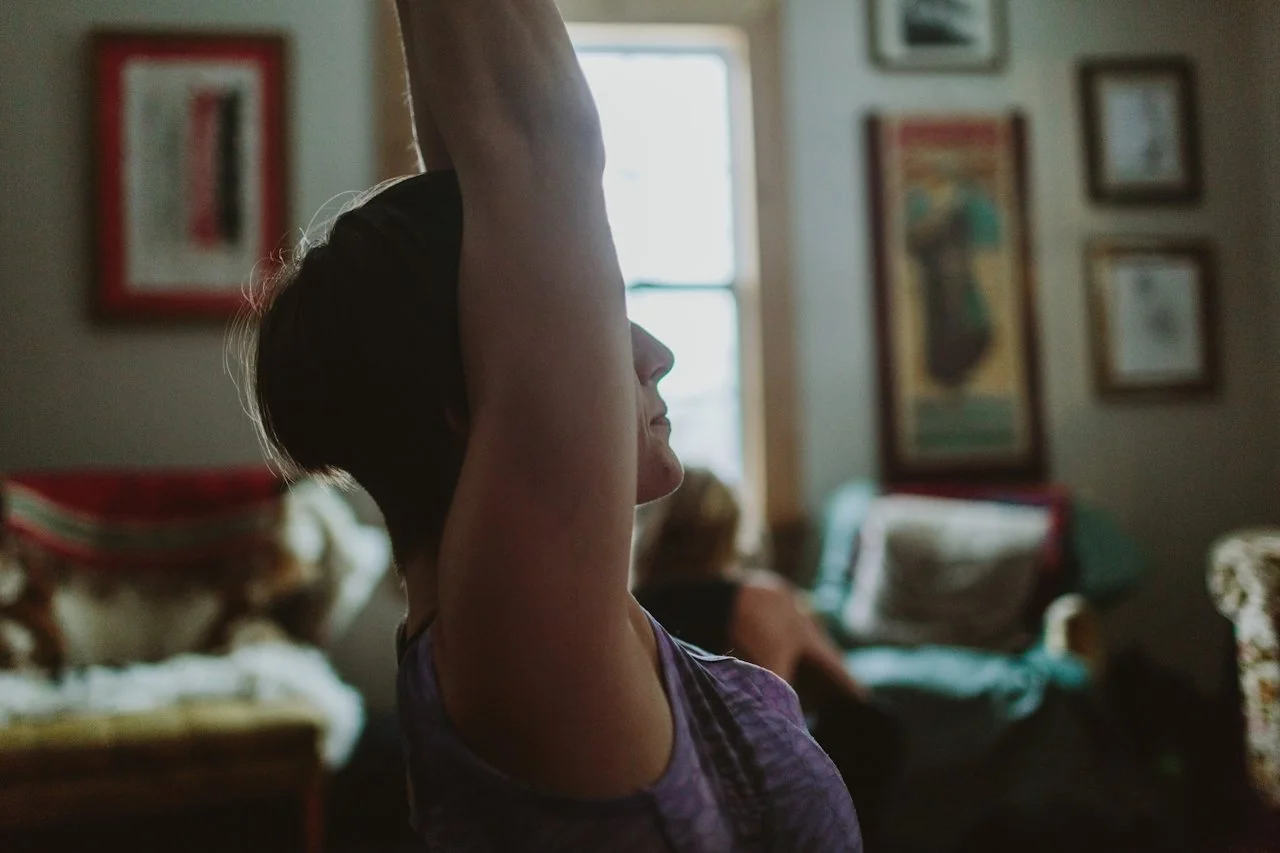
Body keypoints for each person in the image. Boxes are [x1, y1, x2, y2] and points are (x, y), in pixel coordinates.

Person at [241, 1, 863, 850]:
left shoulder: (526, 619)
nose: (658, 354)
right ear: (479, 414)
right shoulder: (520, 628)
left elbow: (488, 167)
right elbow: (538, 146)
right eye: (606, 327)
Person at [634, 469, 902, 844]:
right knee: (871, 723)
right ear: (729, 530)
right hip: (751, 776)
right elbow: (849, 690)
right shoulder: (758, 599)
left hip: (668, 772)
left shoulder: (628, 612)